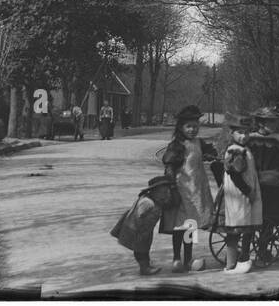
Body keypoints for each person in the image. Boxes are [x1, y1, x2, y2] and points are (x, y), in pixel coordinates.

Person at [160, 104, 217, 272]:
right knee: (180, 227)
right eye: (188, 126)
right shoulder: (177, 145)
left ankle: (188, 258)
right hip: (182, 191)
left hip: (197, 191)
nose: (192, 130)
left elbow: (210, 152)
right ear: (181, 127)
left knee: (190, 227)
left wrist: (210, 154)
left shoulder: (199, 143)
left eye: (195, 126)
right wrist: (171, 186)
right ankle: (177, 258)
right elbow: (169, 166)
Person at [221, 114, 262, 274]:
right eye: (239, 133)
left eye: (246, 132)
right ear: (232, 134)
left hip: (243, 194)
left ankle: (232, 262)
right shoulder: (235, 151)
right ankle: (241, 259)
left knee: (241, 227)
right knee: (240, 228)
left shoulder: (244, 149)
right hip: (240, 195)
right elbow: (236, 176)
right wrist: (248, 191)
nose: (243, 136)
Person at [110, 175, 176, 276]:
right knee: (140, 249)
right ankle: (144, 268)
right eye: (162, 193)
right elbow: (137, 216)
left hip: (145, 230)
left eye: (166, 193)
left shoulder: (155, 201)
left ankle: (146, 266)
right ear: (154, 192)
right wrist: (139, 231)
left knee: (144, 248)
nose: (165, 196)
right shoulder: (147, 203)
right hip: (138, 230)